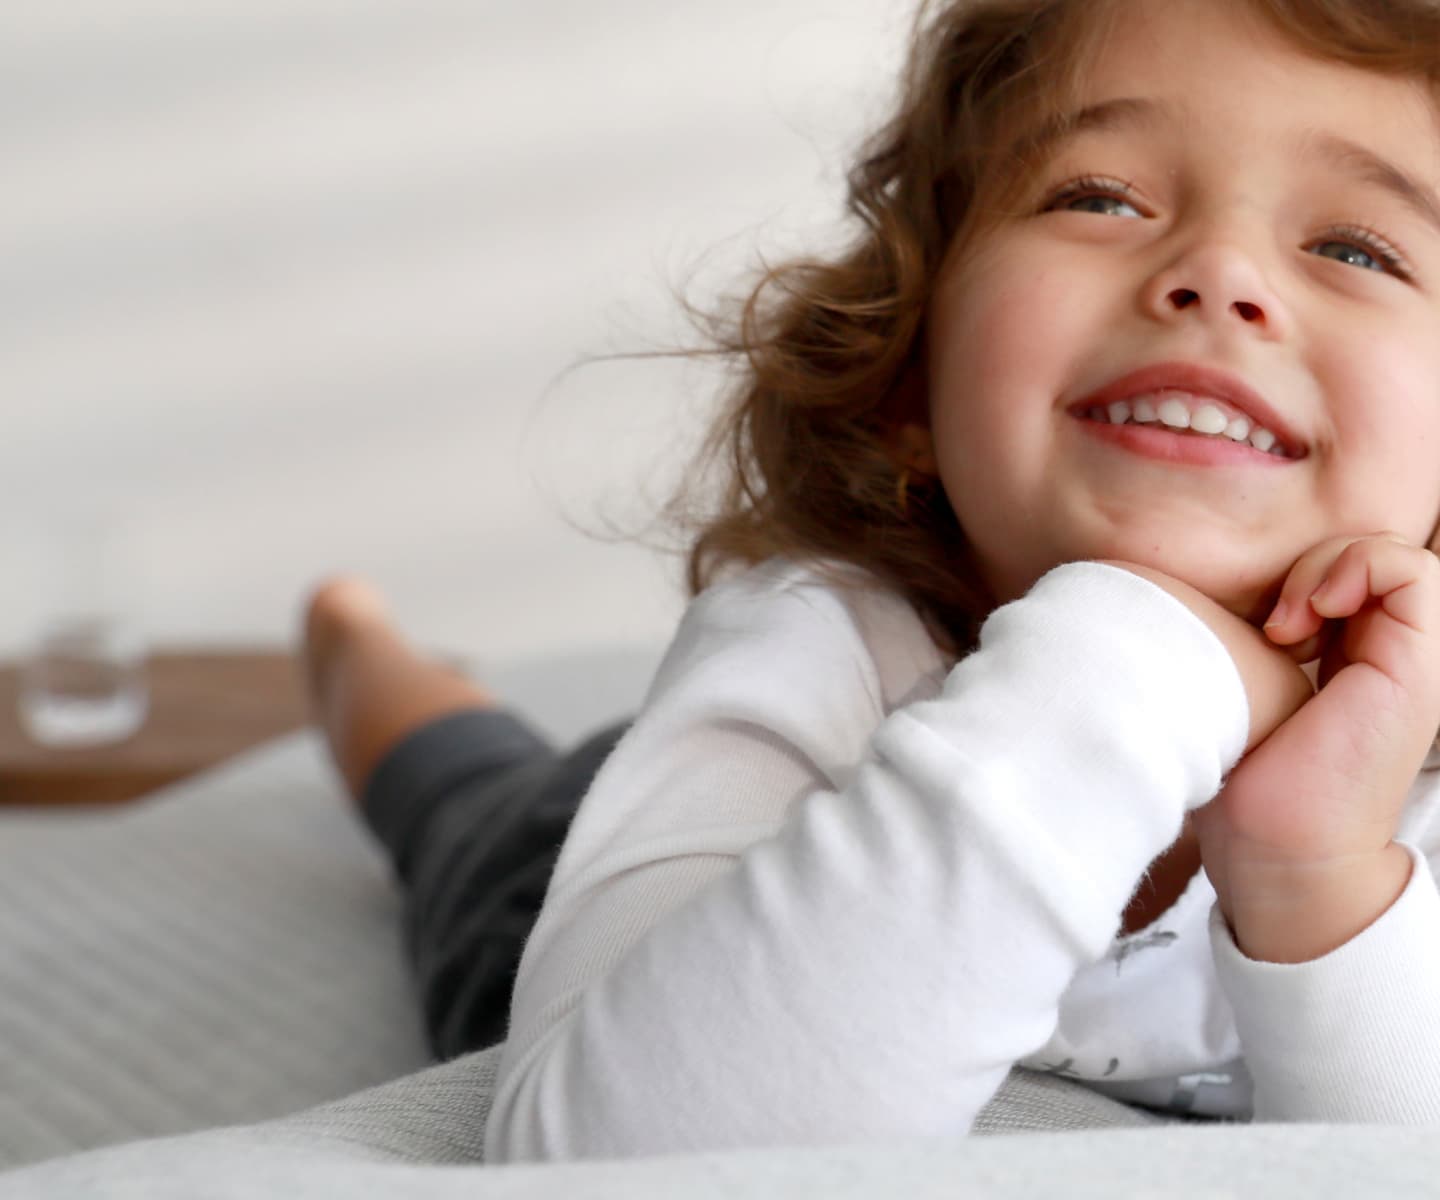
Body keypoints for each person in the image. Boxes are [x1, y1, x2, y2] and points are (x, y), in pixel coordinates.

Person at [301, 0, 1440, 1164]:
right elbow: (612, 1164)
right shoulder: (815, 646)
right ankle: (362, 655)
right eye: (1098, 197)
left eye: (1358, 249)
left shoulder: (1416, 746)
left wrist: (1320, 877)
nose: (1220, 271)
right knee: (469, 803)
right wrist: (1140, 665)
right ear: (907, 385)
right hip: (685, 870)